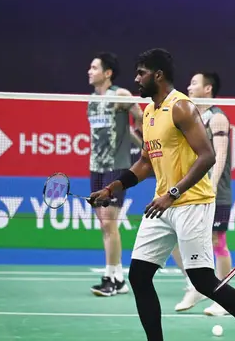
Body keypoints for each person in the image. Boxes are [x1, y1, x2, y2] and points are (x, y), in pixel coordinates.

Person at [89, 48, 235, 341]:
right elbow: (146, 162)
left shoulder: (180, 107)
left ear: (158, 75)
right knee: (139, 276)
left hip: (192, 203)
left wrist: (172, 193)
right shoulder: (149, 113)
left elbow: (206, 156)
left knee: (203, 280)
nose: (136, 79)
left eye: (141, 73)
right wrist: (113, 187)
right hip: (162, 205)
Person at [172, 71, 233, 316]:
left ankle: (223, 298)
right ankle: (194, 286)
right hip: (191, 191)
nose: (189, 86)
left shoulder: (217, 118)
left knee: (217, 242)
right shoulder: (192, 116)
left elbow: (219, 156)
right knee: (177, 237)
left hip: (214, 191)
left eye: (194, 83)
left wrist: (211, 186)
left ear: (208, 89)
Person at [87, 51, 143, 297]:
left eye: (94, 67)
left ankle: (112, 277)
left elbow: (140, 117)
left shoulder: (119, 95)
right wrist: (131, 136)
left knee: (109, 222)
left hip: (116, 167)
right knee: (104, 224)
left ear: (107, 73)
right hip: (96, 167)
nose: (89, 71)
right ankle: (117, 276)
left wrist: (146, 145)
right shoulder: (91, 100)